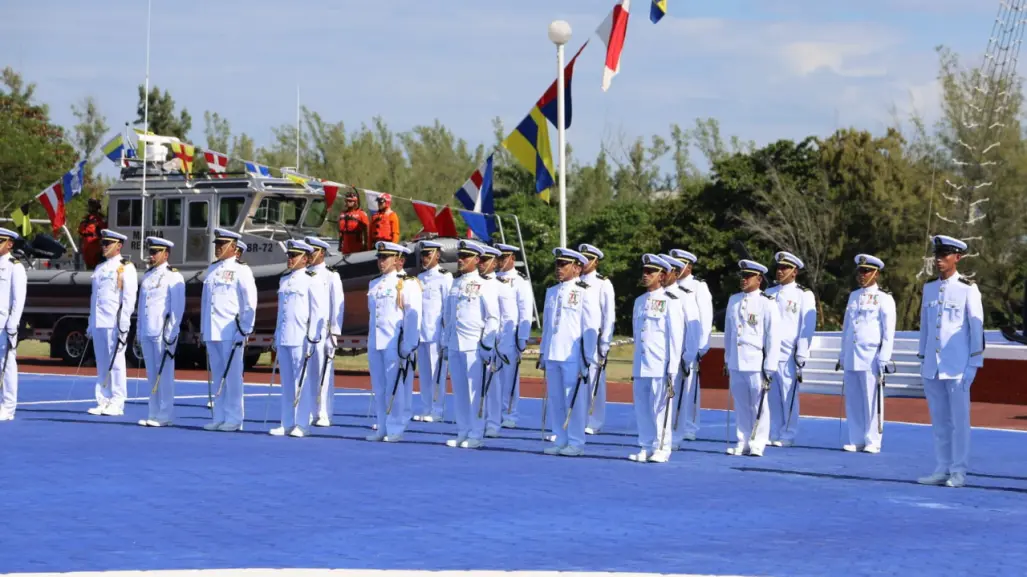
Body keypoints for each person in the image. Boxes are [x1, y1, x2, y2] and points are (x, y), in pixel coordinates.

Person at [916, 235, 985, 489]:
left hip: (957, 367)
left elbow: (976, 330)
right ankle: (942, 467)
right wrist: (922, 358)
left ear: (958, 257)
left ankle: (958, 471)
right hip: (932, 367)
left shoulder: (968, 288)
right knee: (939, 422)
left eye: (945, 255)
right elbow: (925, 326)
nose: (939, 259)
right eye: (937, 254)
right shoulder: (929, 288)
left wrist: (973, 365)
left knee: (959, 422)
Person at [539, 247, 600, 457]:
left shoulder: (584, 291)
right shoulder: (552, 291)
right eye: (557, 264)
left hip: (573, 355)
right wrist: (543, 353)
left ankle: (576, 441)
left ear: (576, 267)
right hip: (553, 352)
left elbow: (590, 328)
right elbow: (547, 326)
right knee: (556, 400)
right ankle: (560, 438)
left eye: (563, 264)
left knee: (573, 399)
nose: (559, 268)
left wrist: (587, 358)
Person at [442, 240, 499, 449]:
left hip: (474, 345)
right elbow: (448, 317)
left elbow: (493, 317)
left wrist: (486, 345)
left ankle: (476, 433)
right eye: (460, 256)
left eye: (465, 257)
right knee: (459, 392)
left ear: (476, 260)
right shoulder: (455, 283)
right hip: (456, 343)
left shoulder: (485, 285)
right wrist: (446, 343)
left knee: (475, 392)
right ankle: (462, 431)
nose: (460, 260)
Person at [836, 254, 895, 453]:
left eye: (866, 271)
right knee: (853, 399)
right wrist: (842, 354)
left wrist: (884, 357)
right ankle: (856, 438)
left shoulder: (884, 298)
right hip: (853, 353)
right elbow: (847, 329)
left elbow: (888, 331)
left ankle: (873, 440)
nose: (862, 275)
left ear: (876, 273)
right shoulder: (853, 296)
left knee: (872, 398)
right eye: (860, 271)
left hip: (871, 355)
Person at [200, 228, 257, 432]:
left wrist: (244, 330)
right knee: (217, 375)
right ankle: (219, 415)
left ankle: (234, 418)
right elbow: (206, 302)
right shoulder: (212, 269)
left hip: (230, 330)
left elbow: (249, 303)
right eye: (217, 244)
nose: (218, 247)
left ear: (233, 247)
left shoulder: (242, 270)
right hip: (213, 330)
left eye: (222, 244)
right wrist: (203, 329)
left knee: (232, 377)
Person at [628, 254, 684, 463]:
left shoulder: (671, 302)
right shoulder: (639, 301)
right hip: (641, 363)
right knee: (642, 407)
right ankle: (646, 445)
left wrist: (672, 367)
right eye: (644, 271)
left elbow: (675, 337)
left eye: (651, 272)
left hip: (660, 363)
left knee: (660, 408)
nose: (646, 275)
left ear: (662, 275)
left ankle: (662, 446)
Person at [723, 259, 780, 457]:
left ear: (759, 278)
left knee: (759, 404)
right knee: (740, 403)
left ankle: (758, 442)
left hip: (756, 361)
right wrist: (727, 358)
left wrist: (770, 365)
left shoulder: (767, 302)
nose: (744, 280)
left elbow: (773, 336)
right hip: (737, 360)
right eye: (742, 276)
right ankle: (743, 441)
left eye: (748, 276)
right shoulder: (734, 300)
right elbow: (730, 332)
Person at [366, 241, 421, 443]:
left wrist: (408, 345)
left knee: (395, 386)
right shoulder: (374, 283)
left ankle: (396, 426)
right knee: (379, 387)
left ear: (398, 259)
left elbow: (412, 317)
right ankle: (382, 425)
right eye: (380, 258)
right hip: (376, 341)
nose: (381, 262)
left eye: (385, 257)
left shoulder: (407, 283)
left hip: (394, 343)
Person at [764, 251, 816, 447]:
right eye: (778, 268)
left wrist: (802, 351)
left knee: (789, 393)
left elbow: (807, 325)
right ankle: (774, 430)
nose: (780, 271)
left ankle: (788, 433)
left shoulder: (803, 294)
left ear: (794, 271)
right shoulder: (768, 294)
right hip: (770, 351)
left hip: (789, 352)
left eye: (784, 268)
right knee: (772, 395)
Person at [86, 230, 137, 417]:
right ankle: (103, 399)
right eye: (103, 243)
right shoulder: (100, 268)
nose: (104, 246)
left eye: (108, 243)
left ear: (119, 245)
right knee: (102, 362)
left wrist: (124, 323)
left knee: (116, 363)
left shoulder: (126, 267)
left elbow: (129, 298)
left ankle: (117, 401)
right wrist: (91, 322)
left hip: (114, 322)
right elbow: (95, 298)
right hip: (100, 321)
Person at [270, 240, 318, 438]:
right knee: (287, 382)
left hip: (301, 336)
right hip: (284, 335)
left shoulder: (311, 279)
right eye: (289, 255)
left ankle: (302, 423)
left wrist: (313, 338)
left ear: (305, 259)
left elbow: (316, 311)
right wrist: (276, 334)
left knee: (302, 381)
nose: (290, 259)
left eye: (294, 256)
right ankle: (287, 422)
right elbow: (282, 310)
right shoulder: (284, 279)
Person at [136, 237, 185, 427]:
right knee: (151, 374)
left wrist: (171, 334)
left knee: (164, 374)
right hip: (148, 331)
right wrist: (140, 330)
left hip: (162, 332)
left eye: (156, 252)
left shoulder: (173, 276)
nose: (152, 255)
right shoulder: (148, 276)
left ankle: (165, 414)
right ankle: (153, 412)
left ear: (166, 254)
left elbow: (177, 309)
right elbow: (142, 307)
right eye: (151, 251)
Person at [669, 248, 714, 439]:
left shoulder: (698, 286)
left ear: (689, 266)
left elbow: (705, 316)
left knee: (690, 388)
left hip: (691, 344)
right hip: (674, 346)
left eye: (681, 264)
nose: (677, 268)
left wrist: (701, 346)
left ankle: (690, 426)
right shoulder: (669, 286)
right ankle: (673, 423)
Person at [658, 254, 702, 449]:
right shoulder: (657, 295)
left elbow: (693, 330)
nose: (662, 276)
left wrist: (687, 357)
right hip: (659, 358)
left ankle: (675, 435)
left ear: (675, 273)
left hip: (679, 358)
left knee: (677, 399)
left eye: (666, 272)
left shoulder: (684, 295)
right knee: (658, 401)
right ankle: (658, 437)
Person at [306, 236, 344, 427]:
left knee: (323, 373)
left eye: (312, 251)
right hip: (305, 332)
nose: (309, 255)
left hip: (323, 332)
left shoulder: (330, 275)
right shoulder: (303, 274)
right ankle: (307, 410)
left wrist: (334, 334)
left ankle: (322, 412)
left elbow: (337, 304)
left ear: (322, 252)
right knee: (306, 374)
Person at [578, 243, 615, 436]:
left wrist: (605, 342)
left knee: (595, 380)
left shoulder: (602, 283)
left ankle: (595, 420)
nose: (583, 262)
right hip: (576, 339)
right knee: (576, 380)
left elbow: (609, 315)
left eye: (587, 259)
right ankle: (579, 419)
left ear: (595, 262)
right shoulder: (574, 281)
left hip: (595, 339)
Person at [479, 244, 516, 438]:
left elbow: (509, 318)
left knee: (492, 385)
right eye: (480, 259)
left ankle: (493, 422)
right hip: (473, 343)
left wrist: (501, 346)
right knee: (475, 385)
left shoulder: (501, 286)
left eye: (485, 260)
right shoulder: (474, 282)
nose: (481, 263)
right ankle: (476, 421)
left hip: (493, 344)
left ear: (494, 262)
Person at [495, 243, 533, 428]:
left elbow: (525, 310)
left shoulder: (519, 281)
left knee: (510, 377)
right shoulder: (491, 279)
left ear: (512, 259)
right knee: (493, 377)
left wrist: (522, 337)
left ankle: (510, 413)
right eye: (498, 258)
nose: (500, 261)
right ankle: (494, 411)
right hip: (493, 336)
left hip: (511, 336)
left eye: (504, 258)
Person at [414, 240, 452, 422]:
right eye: (423, 255)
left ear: (437, 255)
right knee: (424, 374)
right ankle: (426, 407)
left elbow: (448, 309)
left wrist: (446, 335)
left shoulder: (445, 277)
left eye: (428, 255)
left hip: (437, 333)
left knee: (437, 373)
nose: (425, 259)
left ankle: (437, 409)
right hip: (421, 334)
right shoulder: (420, 278)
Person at [0, 228, 27, 421]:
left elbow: (19, 299)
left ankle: (8, 406)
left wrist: (13, 324)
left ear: (10, 244)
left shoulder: (14, 266)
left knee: (7, 365)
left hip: (4, 323)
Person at [338, 190, 370, 255]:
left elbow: (366, 231)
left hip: (357, 246)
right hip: (345, 248)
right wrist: (340, 244)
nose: (348, 203)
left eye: (350, 201)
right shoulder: (342, 214)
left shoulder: (361, 214)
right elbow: (341, 232)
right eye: (346, 201)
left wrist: (366, 244)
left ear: (355, 202)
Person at [79, 199, 107, 270]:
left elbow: (104, 234)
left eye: (93, 206)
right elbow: (81, 234)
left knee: (97, 268)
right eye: (90, 206)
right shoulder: (86, 219)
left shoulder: (101, 220)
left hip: (96, 249)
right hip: (86, 248)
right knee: (88, 268)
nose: (91, 208)